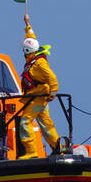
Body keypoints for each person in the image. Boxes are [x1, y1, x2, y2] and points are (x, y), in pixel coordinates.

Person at [18, 15, 61, 158]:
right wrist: (28, 25)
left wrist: (53, 94)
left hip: (38, 97)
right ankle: (58, 148)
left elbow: (53, 78)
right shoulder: (35, 55)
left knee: (25, 121)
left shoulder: (39, 64)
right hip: (39, 97)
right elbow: (31, 39)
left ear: (27, 51)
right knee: (46, 124)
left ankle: (31, 151)